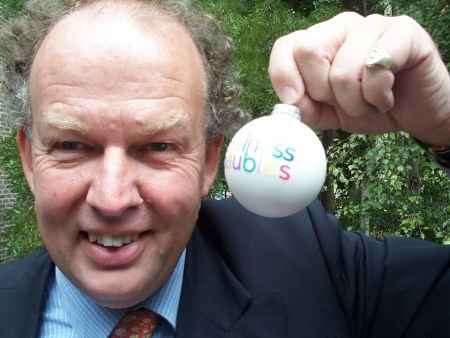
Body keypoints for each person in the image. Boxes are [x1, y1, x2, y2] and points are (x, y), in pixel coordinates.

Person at [0, 1, 449, 337]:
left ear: (209, 161)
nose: (112, 199)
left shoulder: (316, 266)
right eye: (72, 146)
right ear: (29, 160)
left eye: (157, 146)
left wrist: (443, 123)